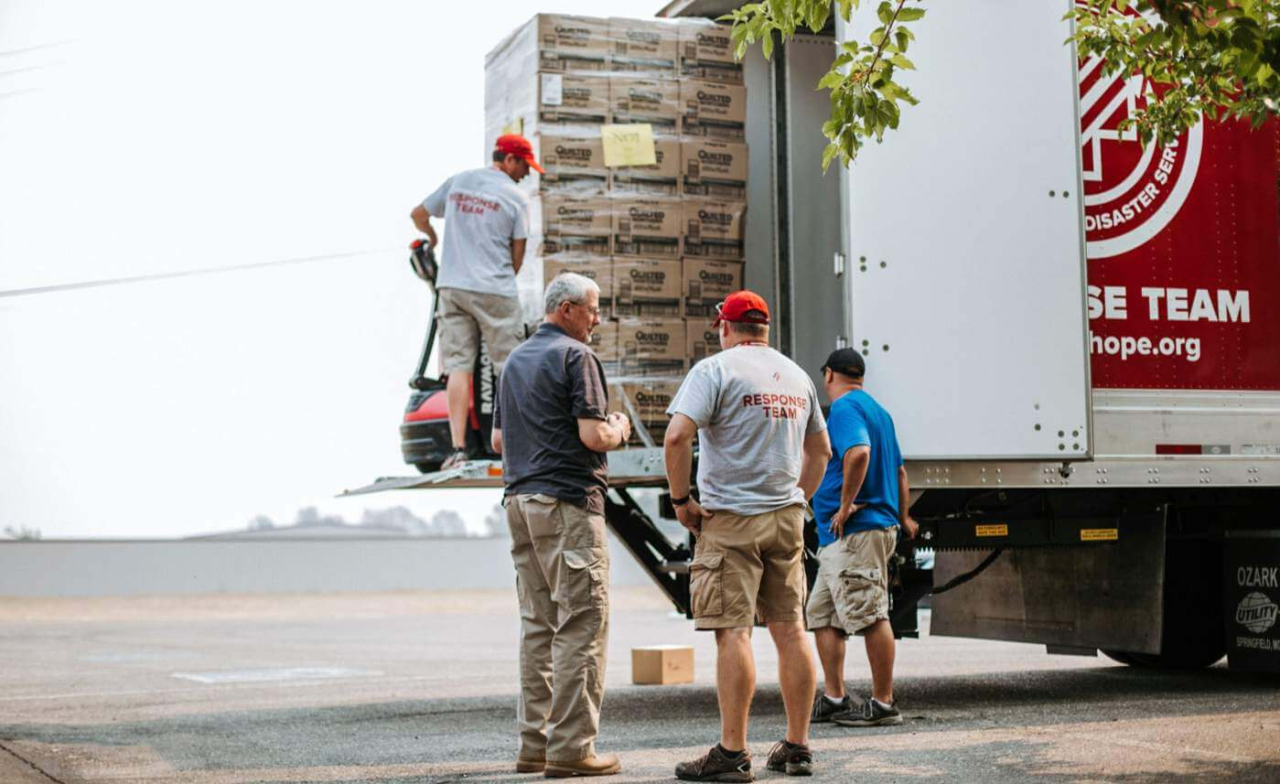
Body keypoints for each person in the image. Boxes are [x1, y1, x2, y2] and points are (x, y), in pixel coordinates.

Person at [664, 290, 833, 780]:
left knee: (733, 632)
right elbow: (820, 449)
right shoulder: (796, 375)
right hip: (785, 520)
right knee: (790, 628)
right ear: (765, 328)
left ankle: (733, 753)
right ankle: (797, 746)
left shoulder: (716, 370)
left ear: (725, 327)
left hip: (730, 520)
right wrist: (799, 497)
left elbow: (677, 436)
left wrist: (681, 501)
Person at [490, 272, 633, 778]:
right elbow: (593, 435)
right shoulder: (577, 357)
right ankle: (572, 750)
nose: (598, 319)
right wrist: (619, 427)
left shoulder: (513, 362)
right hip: (567, 504)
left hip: (520, 503)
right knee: (582, 624)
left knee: (538, 626)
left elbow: (499, 443)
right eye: (593, 309)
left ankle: (534, 746)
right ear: (567, 308)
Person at [411, 134, 541, 470]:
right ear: (509, 160)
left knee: (458, 369)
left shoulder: (459, 182)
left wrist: (433, 237)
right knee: (510, 368)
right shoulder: (516, 198)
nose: (526, 174)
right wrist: (499, 280)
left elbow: (418, 214)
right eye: (524, 166)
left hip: (452, 287)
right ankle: (517, 443)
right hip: (495, 290)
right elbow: (517, 256)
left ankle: (457, 450)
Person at [805, 348, 918, 729]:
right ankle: (835, 697)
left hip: (855, 531)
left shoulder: (844, 409)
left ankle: (884, 703)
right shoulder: (879, 412)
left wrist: (844, 505)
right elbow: (900, 473)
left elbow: (858, 453)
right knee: (821, 612)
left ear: (828, 375)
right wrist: (904, 517)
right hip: (847, 536)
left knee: (870, 615)